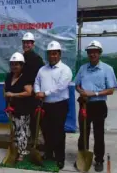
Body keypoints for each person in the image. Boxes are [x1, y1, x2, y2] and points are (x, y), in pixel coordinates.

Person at [74, 40, 117, 172]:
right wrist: (81, 92)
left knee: (98, 134)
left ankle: (99, 160)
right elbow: (77, 84)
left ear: (99, 53)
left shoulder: (107, 69)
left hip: (98, 105)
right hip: (84, 104)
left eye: (95, 52)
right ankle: (82, 157)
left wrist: (94, 93)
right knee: (83, 134)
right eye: (90, 52)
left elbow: (111, 90)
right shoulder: (83, 68)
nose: (92, 54)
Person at [34, 41, 72, 169]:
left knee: (58, 132)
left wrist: (44, 93)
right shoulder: (42, 69)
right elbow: (36, 82)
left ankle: (60, 158)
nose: (52, 56)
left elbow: (60, 87)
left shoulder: (65, 70)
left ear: (59, 54)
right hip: (45, 105)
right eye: (50, 54)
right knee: (46, 131)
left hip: (59, 105)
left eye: (55, 53)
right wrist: (37, 91)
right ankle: (49, 153)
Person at [4, 52, 32, 161]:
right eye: (12, 64)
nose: (14, 66)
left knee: (22, 131)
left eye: (17, 64)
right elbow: (5, 88)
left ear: (22, 65)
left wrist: (13, 95)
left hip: (22, 109)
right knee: (14, 131)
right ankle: (15, 149)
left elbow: (29, 92)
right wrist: (6, 96)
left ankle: (22, 152)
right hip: (11, 109)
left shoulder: (25, 77)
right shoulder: (9, 76)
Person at [21, 32, 44, 146]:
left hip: (33, 94)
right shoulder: (20, 58)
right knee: (23, 118)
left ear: (33, 44)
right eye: (24, 43)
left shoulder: (37, 59)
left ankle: (34, 142)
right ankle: (24, 140)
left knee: (34, 120)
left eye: (28, 43)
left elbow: (41, 77)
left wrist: (36, 90)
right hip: (22, 94)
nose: (26, 45)